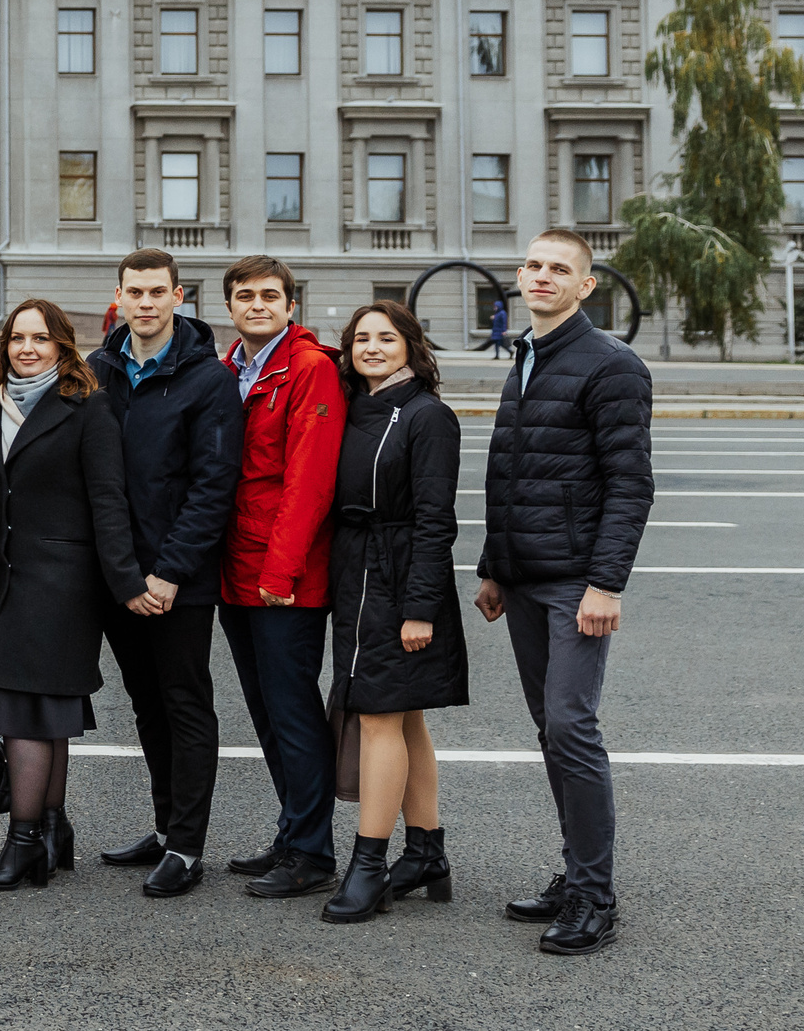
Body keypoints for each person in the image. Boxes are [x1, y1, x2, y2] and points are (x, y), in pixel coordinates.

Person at [475, 229, 652, 956]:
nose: (543, 276)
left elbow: (630, 482)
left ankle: (593, 896)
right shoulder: (527, 353)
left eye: (561, 269)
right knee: (551, 730)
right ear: (520, 275)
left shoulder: (610, 364)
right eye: (535, 264)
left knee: (572, 726)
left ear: (586, 286)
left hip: (577, 580)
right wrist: (494, 563)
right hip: (524, 576)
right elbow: (509, 472)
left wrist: (605, 582)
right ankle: (576, 870)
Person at [87, 249, 243, 898]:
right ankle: (162, 824)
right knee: (146, 703)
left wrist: (171, 573)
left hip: (177, 579)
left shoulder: (207, 379)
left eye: (157, 292)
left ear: (178, 296)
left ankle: (187, 843)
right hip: (118, 574)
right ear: (118, 297)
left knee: (184, 703)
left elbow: (213, 486)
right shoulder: (97, 370)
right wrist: (123, 575)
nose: (145, 303)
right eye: (135, 292)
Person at [0, 299, 142, 891]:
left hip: (63, 582)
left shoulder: (87, 407)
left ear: (63, 346)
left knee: (24, 707)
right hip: (4, 578)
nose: (26, 349)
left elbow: (108, 501)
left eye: (40, 339)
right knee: (43, 711)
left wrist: (126, 583)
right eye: (17, 338)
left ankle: (22, 846)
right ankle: (51, 829)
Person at [323, 300, 469, 924]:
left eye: (387, 337)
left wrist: (420, 608)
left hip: (400, 578)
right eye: (361, 339)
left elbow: (437, 521)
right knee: (402, 717)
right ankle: (428, 853)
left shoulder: (428, 415)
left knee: (377, 714)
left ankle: (369, 864)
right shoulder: (356, 407)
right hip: (356, 572)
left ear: (411, 345)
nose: (372, 347)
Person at [216, 254, 346, 899]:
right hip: (236, 567)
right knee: (267, 712)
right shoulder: (231, 369)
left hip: (281, 574)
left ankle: (313, 852)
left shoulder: (311, 368)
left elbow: (308, 480)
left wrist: (281, 570)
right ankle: (293, 830)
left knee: (293, 712)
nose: (258, 305)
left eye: (271, 295)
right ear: (230, 307)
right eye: (245, 296)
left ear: (291, 305)